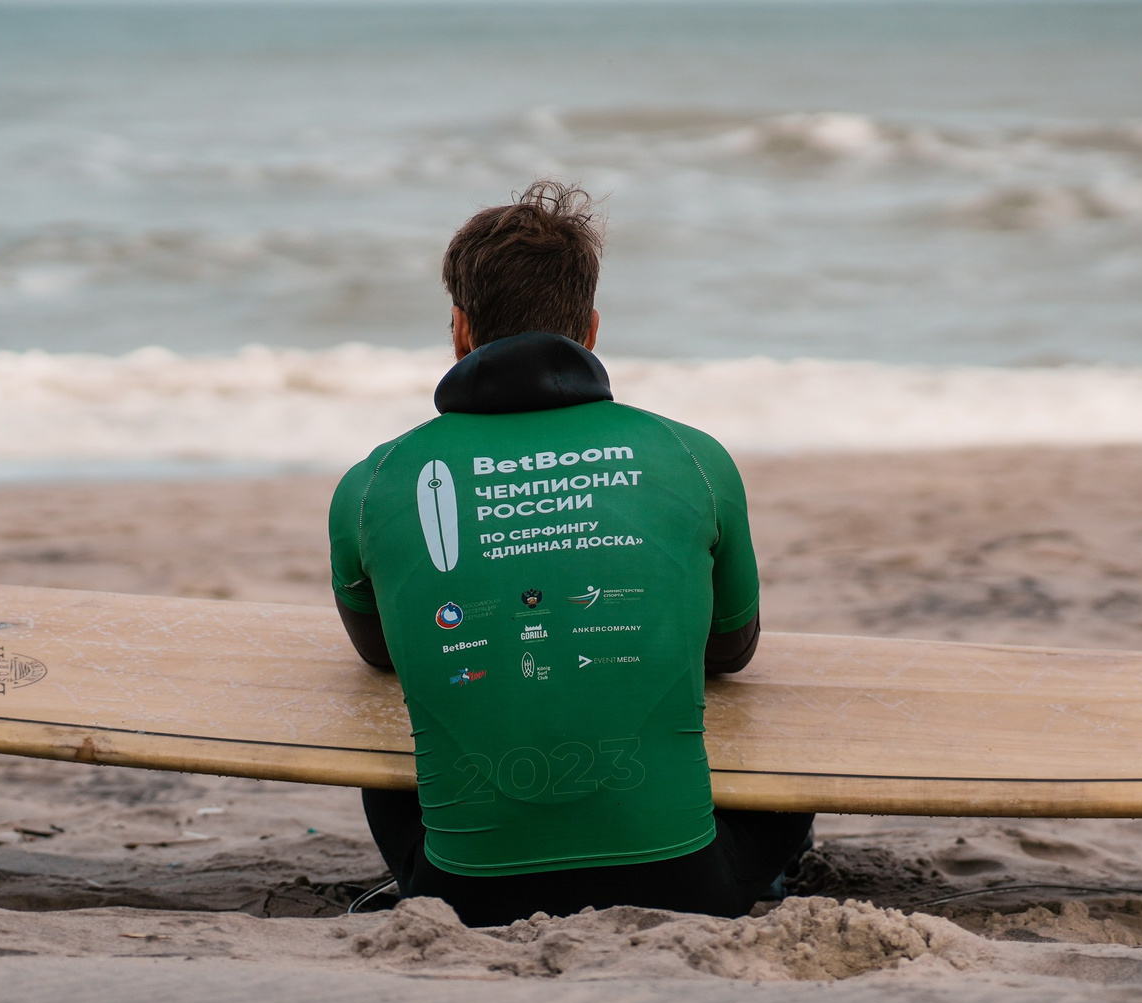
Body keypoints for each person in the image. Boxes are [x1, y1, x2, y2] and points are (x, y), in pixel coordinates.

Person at [329, 180, 812, 925]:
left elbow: (382, 653)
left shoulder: (372, 482)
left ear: (461, 329)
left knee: (409, 711)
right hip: (688, 886)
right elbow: (731, 652)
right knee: (769, 734)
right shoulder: (694, 456)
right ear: (589, 329)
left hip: (461, 893)